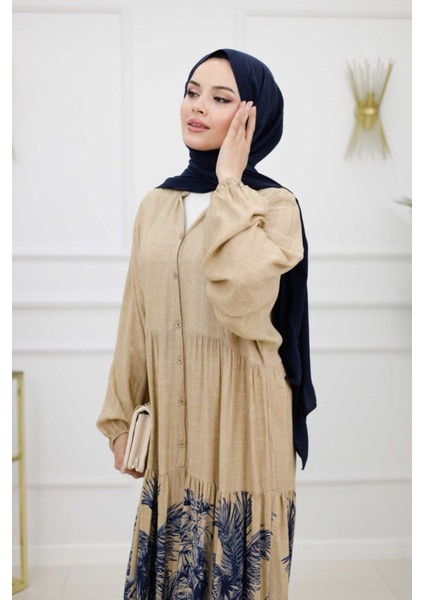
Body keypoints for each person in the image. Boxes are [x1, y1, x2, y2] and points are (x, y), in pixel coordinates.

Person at [97, 48, 316, 599]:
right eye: (192, 92)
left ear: (252, 117)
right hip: (175, 412)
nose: (197, 107)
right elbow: (136, 313)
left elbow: (242, 300)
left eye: (220, 99)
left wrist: (230, 185)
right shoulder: (156, 204)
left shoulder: (275, 206)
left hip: (247, 413)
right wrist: (119, 417)